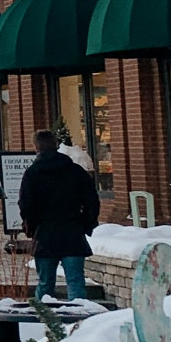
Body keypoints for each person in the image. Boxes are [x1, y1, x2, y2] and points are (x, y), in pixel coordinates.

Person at [19, 127, 100, 302]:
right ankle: (78, 321)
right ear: (56, 145)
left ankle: (44, 321)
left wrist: (32, 229)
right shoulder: (76, 171)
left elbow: (26, 206)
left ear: (36, 147)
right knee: (76, 283)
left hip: (45, 234)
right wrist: (86, 224)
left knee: (45, 283)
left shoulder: (32, 174)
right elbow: (92, 201)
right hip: (73, 232)